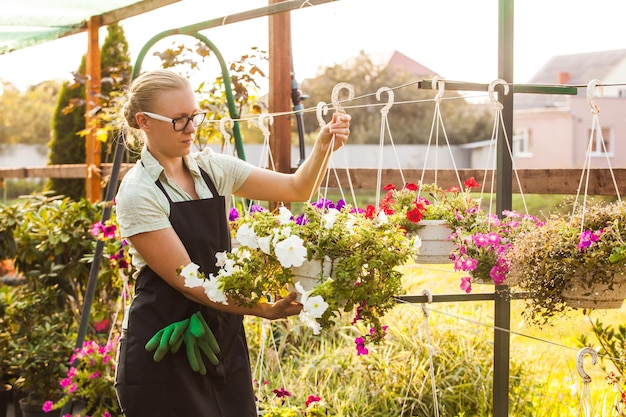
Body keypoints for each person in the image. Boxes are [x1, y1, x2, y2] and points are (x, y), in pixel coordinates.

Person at [113, 69, 351, 417]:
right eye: (179, 120)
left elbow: (297, 189)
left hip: (220, 335)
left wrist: (323, 147)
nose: (191, 128)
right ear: (144, 121)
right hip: (162, 348)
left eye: (194, 116)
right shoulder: (139, 192)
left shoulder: (211, 169)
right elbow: (189, 281)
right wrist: (263, 308)